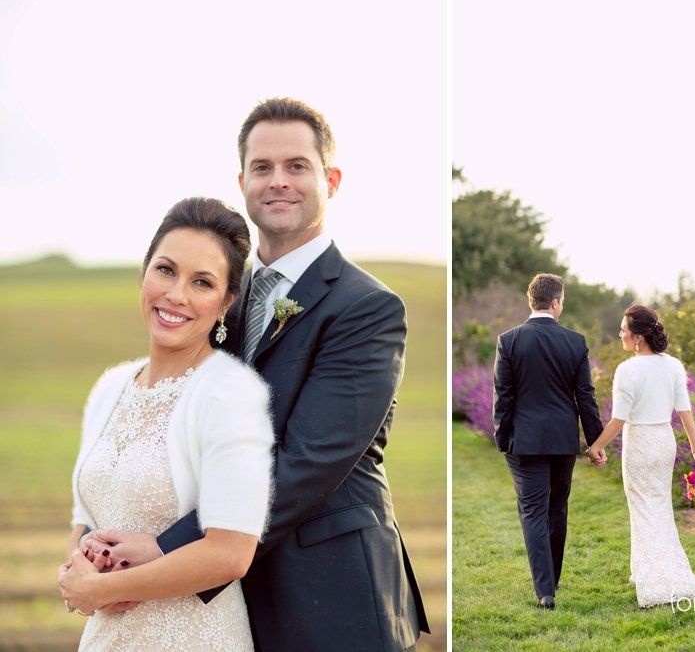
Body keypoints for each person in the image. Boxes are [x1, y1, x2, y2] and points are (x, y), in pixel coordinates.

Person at [79, 98, 428, 652]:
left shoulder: (367, 309)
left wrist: (167, 549)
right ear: (242, 180)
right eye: (262, 168)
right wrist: (101, 552)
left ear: (330, 179)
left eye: (296, 166)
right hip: (223, 602)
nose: (278, 182)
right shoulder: (218, 299)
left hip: (328, 596)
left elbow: (307, 461)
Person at [58, 197, 274, 650]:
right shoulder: (110, 385)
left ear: (225, 302)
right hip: (107, 637)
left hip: (195, 636)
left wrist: (103, 590)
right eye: (166, 270)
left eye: (202, 282)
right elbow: (85, 518)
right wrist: (79, 567)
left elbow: (230, 554)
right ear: (144, 272)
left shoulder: (231, 393)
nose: (176, 295)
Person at [586, 304, 695, 608]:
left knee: (643, 509)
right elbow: (685, 412)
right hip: (663, 441)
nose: (619, 334)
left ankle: (657, 579)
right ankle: (644, 569)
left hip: (640, 443)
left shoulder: (628, 369)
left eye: (623, 330)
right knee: (657, 505)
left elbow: (618, 419)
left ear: (637, 338)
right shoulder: (673, 365)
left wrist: (596, 446)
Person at [493, 273, 603, 610]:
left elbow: (503, 396)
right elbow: (586, 396)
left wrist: (503, 438)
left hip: (524, 441)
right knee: (557, 508)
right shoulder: (575, 341)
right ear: (555, 302)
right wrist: (595, 442)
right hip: (563, 441)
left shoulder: (509, 340)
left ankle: (545, 591)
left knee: (532, 511)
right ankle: (550, 581)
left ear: (533, 301)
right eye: (562, 302)